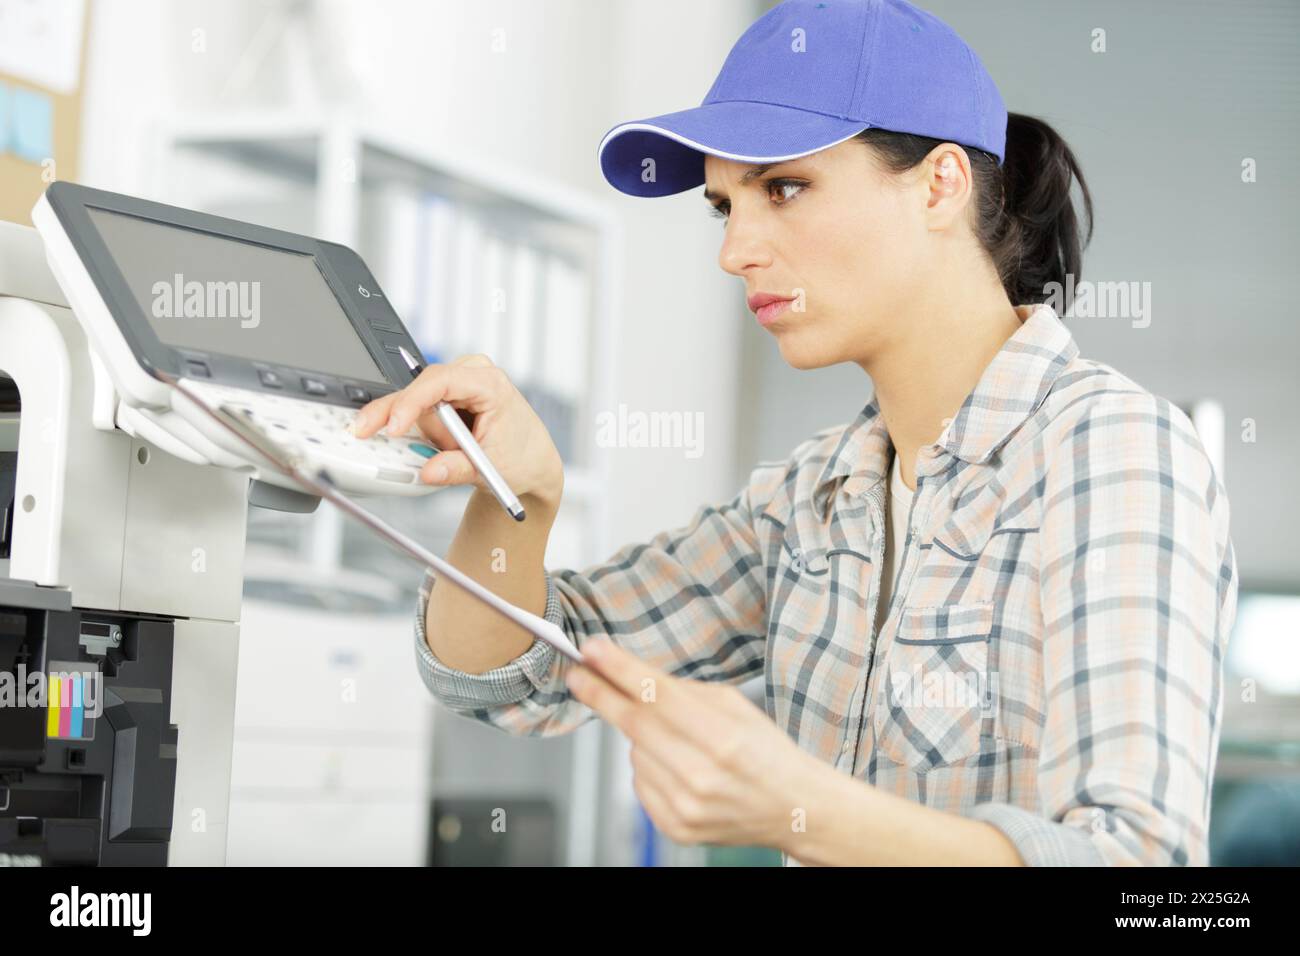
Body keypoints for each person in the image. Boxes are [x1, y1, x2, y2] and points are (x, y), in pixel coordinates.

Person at [353, 0, 1237, 865]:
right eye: (724, 207)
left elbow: (1144, 874)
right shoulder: (809, 499)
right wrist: (517, 503)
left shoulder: (1114, 455)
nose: (735, 251)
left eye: (784, 188)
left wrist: (803, 810)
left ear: (940, 185)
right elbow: (509, 675)